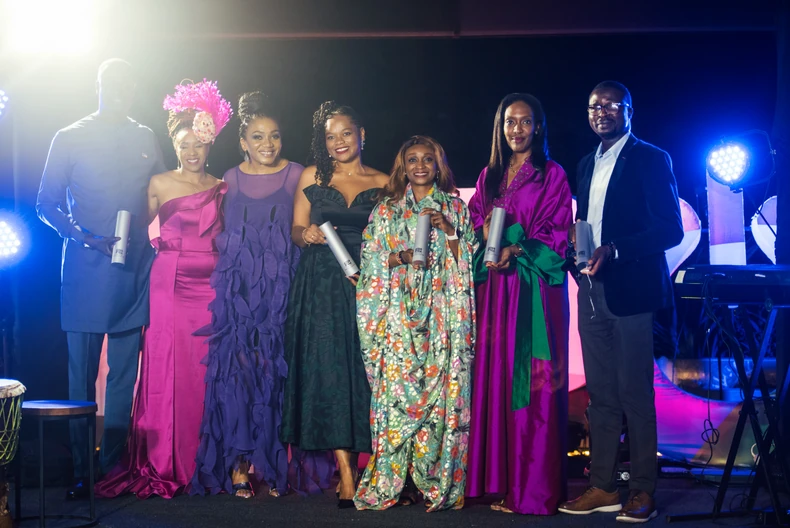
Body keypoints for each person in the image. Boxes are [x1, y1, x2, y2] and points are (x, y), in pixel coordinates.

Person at [191, 92, 332, 498]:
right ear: (242, 142)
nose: (267, 144)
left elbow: (305, 225)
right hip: (237, 295)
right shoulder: (230, 179)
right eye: (257, 137)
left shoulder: (298, 174)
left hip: (283, 288)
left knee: (276, 374)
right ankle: (239, 465)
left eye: (273, 136)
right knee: (238, 374)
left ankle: (274, 467)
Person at [95, 80, 231, 499]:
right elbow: (133, 235)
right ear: (174, 145)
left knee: (207, 370)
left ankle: (209, 458)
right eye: (183, 144)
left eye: (198, 145)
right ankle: (165, 460)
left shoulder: (224, 185)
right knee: (168, 368)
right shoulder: (157, 183)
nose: (192, 152)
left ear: (210, 144)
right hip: (168, 284)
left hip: (212, 286)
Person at [36, 58, 166, 500]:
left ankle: (112, 470)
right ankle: (80, 469)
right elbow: (45, 203)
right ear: (99, 86)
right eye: (113, 83)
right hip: (85, 271)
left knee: (123, 381)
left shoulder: (145, 136)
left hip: (133, 271)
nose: (121, 90)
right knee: (81, 380)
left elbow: (162, 192)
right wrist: (84, 235)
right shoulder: (70, 136)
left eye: (128, 83)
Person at [558, 81, 683, 523]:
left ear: (629, 110)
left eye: (612, 105)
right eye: (595, 106)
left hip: (632, 292)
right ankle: (604, 486)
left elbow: (671, 229)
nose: (602, 111)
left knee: (635, 395)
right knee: (601, 397)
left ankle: (643, 489)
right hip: (591, 293)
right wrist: (579, 249)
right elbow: (587, 224)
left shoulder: (651, 158)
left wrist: (614, 248)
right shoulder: (585, 164)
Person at [353, 136, 477, 512]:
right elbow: (369, 263)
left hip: (441, 320)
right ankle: (395, 483)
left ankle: (434, 482)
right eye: (412, 159)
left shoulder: (455, 207)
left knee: (440, 401)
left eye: (427, 159)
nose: (420, 165)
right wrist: (402, 256)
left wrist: (451, 230)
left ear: (439, 166)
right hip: (397, 320)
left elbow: (468, 264)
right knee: (395, 398)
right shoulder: (387, 209)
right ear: (402, 167)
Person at [466, 93, 572, 515]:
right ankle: (500, 482)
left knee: (532, 383)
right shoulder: (489, 176)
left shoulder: (552, 175)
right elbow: (475, 219)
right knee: (496, 378)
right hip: (495, 292)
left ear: (538, 127)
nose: (517, 129)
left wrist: (517, 248)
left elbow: (557, 230)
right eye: (510, 122)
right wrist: (483, 242)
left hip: (532, 290)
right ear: (500, 126)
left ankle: (533, 489)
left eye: (526, 122)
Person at [280, 101, 388, 508]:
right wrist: (303, 234)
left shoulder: (383, 180)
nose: (338, 142)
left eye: (346, 133)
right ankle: (346, 471)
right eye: (330, 136)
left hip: (367, 282)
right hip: (321, 283)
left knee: (365, 373)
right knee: (328, 373)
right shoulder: (312, 175)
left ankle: (378, 465)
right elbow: (294, 227)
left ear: (362, 135)